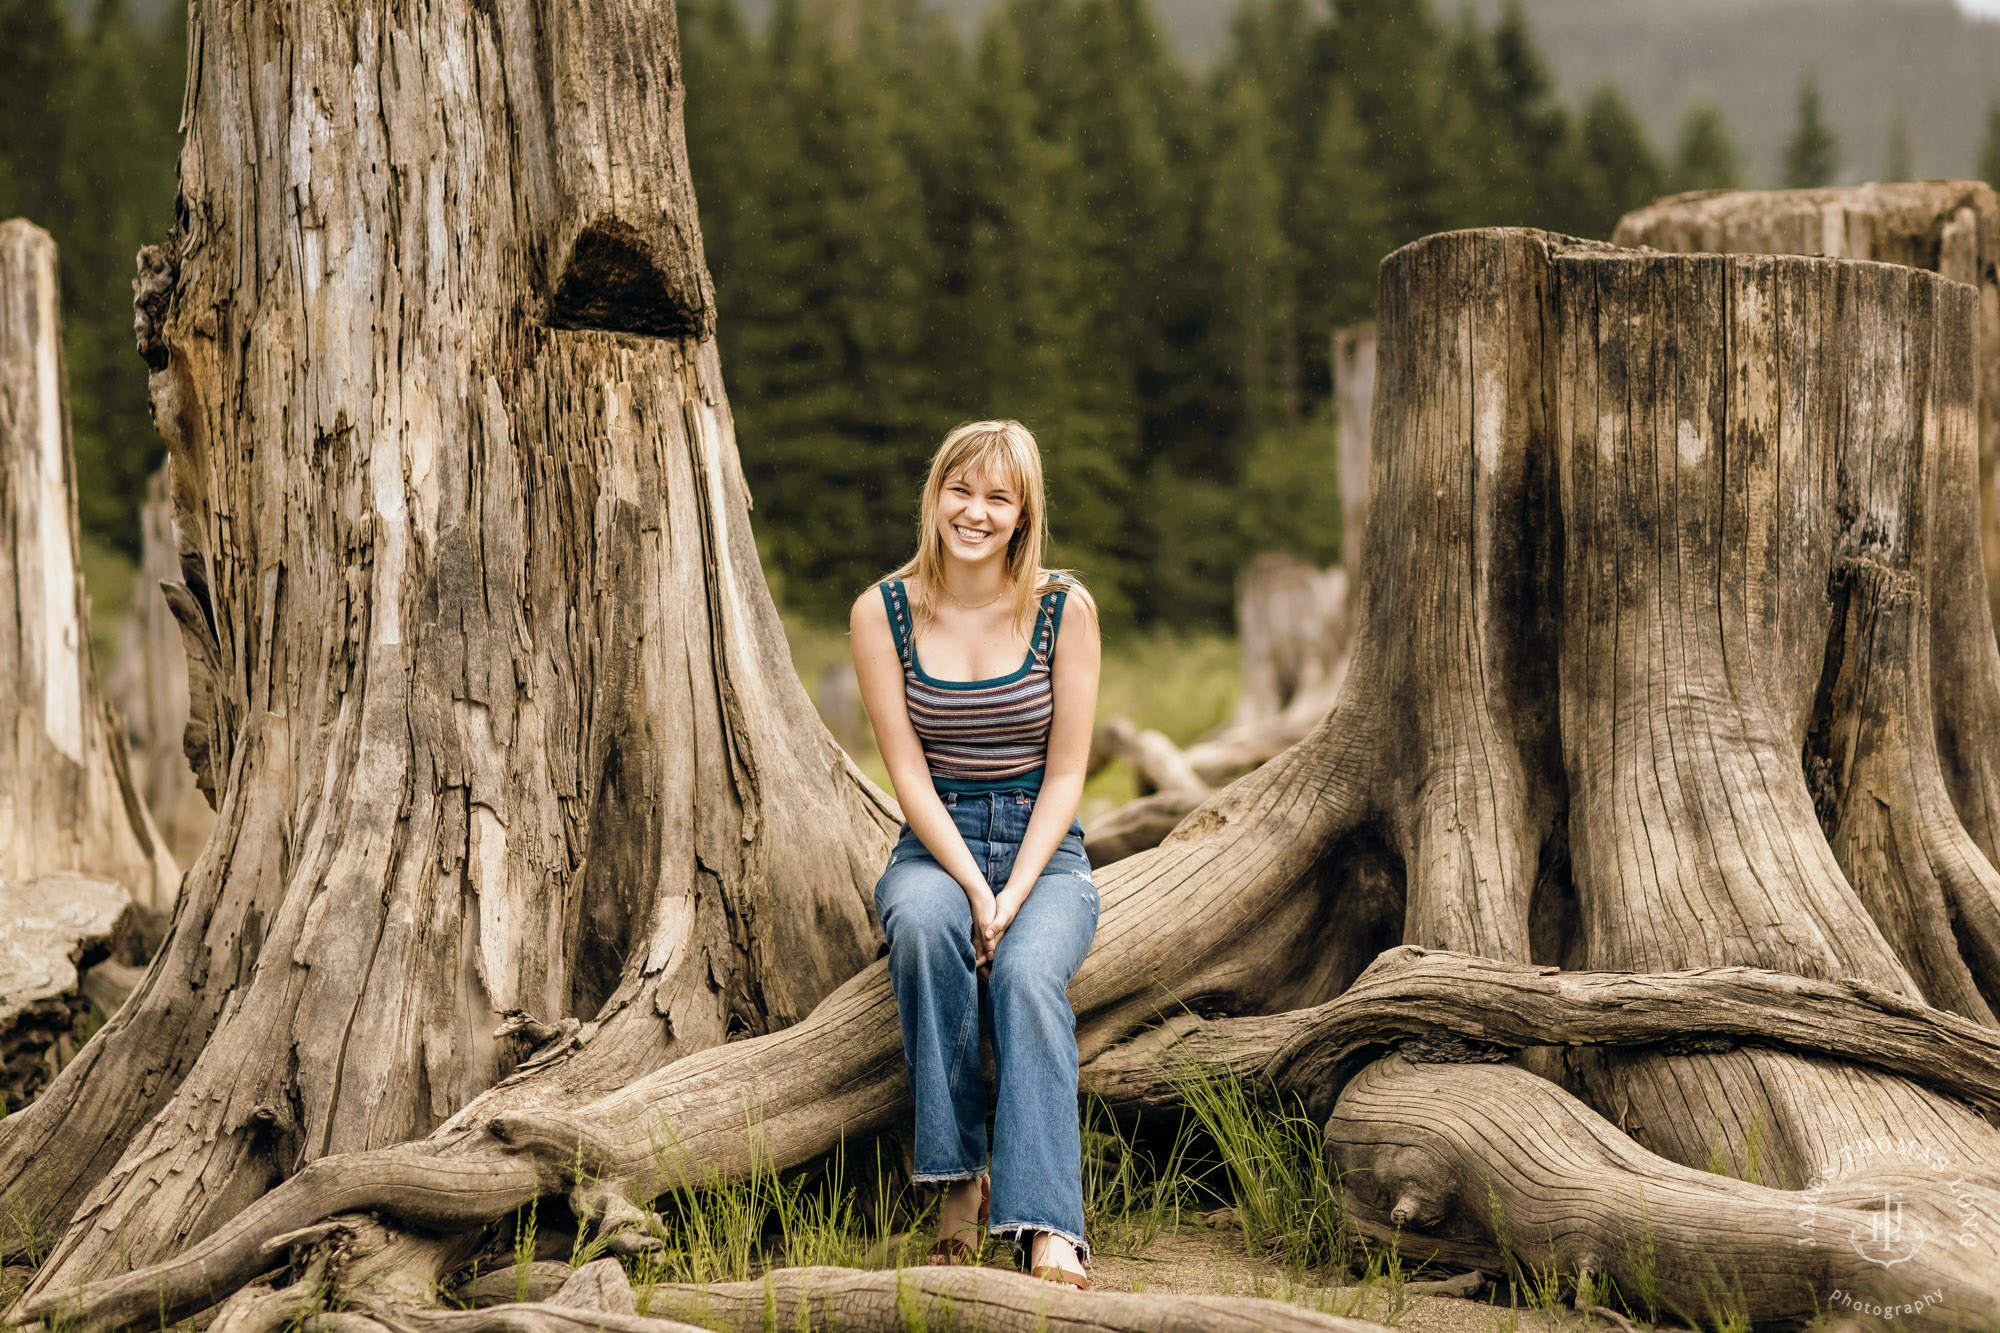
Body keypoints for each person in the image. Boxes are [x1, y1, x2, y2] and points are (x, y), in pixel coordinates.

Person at [850, 419, 1102, 1289]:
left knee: (1030, 975)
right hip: (936, 839)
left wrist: (1013, 891)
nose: (976, 511)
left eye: (999, 496)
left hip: (1045, 847)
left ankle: (1047, 1226)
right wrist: (968, 884)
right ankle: (957, 1185)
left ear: (1024, 511)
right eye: (962, 489)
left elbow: (1068, 772)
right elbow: (907, 775)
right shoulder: (882, 610)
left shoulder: (1063, 607)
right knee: (923, 925)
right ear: (936, 495)